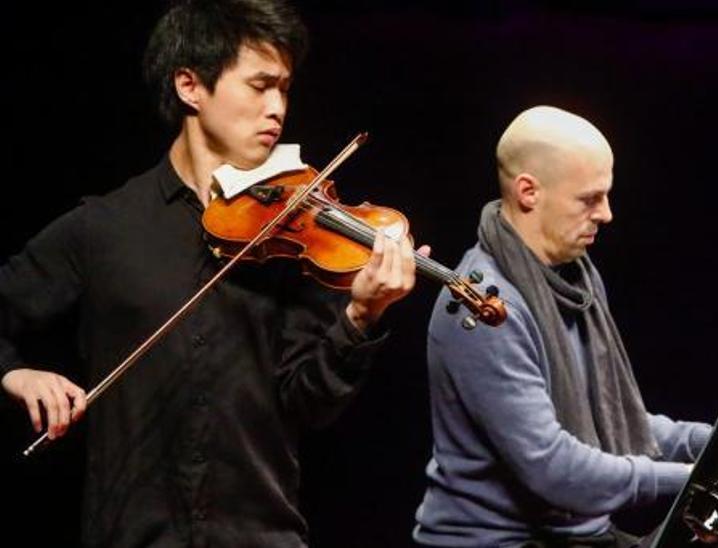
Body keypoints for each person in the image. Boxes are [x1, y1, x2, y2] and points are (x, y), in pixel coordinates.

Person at [0, 1, 424, 545]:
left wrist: (362, 316)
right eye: (259, 85)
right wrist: (15, 374)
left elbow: (307, 403)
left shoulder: (293, 233)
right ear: (189, 86)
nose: (278, 108)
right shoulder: (102, 227)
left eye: (285, 89)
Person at [413, 105, 712, 547]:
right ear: (528, 192)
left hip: (576, 536)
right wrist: (691, 478)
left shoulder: (577, 281)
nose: (607, 214)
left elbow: (613, 421)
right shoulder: (485, 308)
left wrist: (717, 441)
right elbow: (552, 467)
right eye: (589, 199)